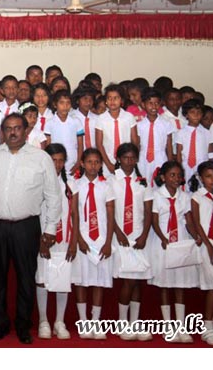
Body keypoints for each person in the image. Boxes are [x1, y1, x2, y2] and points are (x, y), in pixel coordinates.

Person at [0, 113, 61, 344]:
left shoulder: (41, 158)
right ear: (3, 132)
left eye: (17, 128)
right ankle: (0, 324)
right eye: (8, 128)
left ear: (26, 131)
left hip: (26, 227)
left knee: (26, 278)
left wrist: (50, 229)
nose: (13, 132)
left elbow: (53, 195)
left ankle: (23, 325)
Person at [108, 143, 154, 341]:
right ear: (118, 159)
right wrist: (117, 232)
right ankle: (122, 323)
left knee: (137, 281)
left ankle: (134, 323)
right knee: (129, 280)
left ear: (136, 159)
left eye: (132, 158)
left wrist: (144, 235)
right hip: (121, 237)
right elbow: (108, 210)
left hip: (138, 236)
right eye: (125, 157)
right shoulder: (111, 180)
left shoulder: (142, 182)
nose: (129, 161)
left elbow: (148, 211)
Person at [149, 160, 198, 343]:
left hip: (180, 243)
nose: (176, 178)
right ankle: (168, 325)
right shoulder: (156, 195)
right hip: (163, 243)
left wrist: (196, 236)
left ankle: (180, 326)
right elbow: (154, 221)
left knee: (179, 284)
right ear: (163, 177)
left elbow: (189, 220)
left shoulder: (184, 197)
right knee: (165, 284)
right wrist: (163, 237)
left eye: (179, 175)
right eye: (172, 175)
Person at [68, 148, 114, 340]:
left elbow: (111, 216)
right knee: (81, 280)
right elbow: (73, 214)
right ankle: (84, 321)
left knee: (98, 282)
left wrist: (108, 242)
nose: (93, 166)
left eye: (96, 162)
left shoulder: (106, 186)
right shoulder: (75, 185)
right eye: (89, 162)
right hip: (83, 239)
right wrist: (79, 239)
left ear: (101, 164)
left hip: (101, 239)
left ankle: (96, 321)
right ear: (82, 164)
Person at [36, 144, 73, 340]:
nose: (57, 164)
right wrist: (40, 240)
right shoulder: (38, 182)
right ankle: (43, 320)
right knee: (42, 278)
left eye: (61, 161)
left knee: (61, 279)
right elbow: (34, 213)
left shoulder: (70, 184)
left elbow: (75, 215)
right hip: (44, 239)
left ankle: (59, 321)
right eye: (53, 160)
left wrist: (74, 242)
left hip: (64, 238)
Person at [190, 161, 213, 344]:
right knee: (212, 286)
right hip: (208, 244)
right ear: (201, 178)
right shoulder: (197, 197)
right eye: (208, 176)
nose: (212, 180)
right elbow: (197, 223)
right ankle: (207, 327)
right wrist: (208, 246)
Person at [95, 84, 138, 175]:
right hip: (107, 159)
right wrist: (108, 164)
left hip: (127, 160)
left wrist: (132, 160)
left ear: (121, 100)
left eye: (116, 98)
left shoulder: (129, 117)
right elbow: (99, 144)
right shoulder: (100, 119)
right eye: (109, 98)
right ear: (106, 101)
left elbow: (134, 141)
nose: (112, 101)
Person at [137, 89, 174, 187]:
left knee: (160, 185)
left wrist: (170, 164)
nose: (154, 106)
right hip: (143, 159)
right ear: (143, 105)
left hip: (160, 158)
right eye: (150, 103)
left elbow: (169, 146)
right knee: (144, 185)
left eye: (157, 103)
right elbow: (137, 145)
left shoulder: (166, 124)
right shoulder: (139, 125)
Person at [45, 90, 83, 175]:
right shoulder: (49, 123)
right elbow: (48, 145)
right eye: (61, 103)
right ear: (55, 104)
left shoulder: (76, 121)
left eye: (68, 103)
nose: (65, 106)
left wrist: (78, 162)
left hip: (73, 162)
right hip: (55, 163)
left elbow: (80, 144)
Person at [175, 99, 211, 186]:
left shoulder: (207, 133)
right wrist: (180, 169)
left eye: (199, 112)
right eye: (192, 112)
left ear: (202, 114)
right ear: (186, 115)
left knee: (202, 188)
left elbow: (210, 153)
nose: (196, 115)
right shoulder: (181, 133)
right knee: (186, 187)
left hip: (202, 167)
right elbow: (179, 154)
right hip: (186, 167)